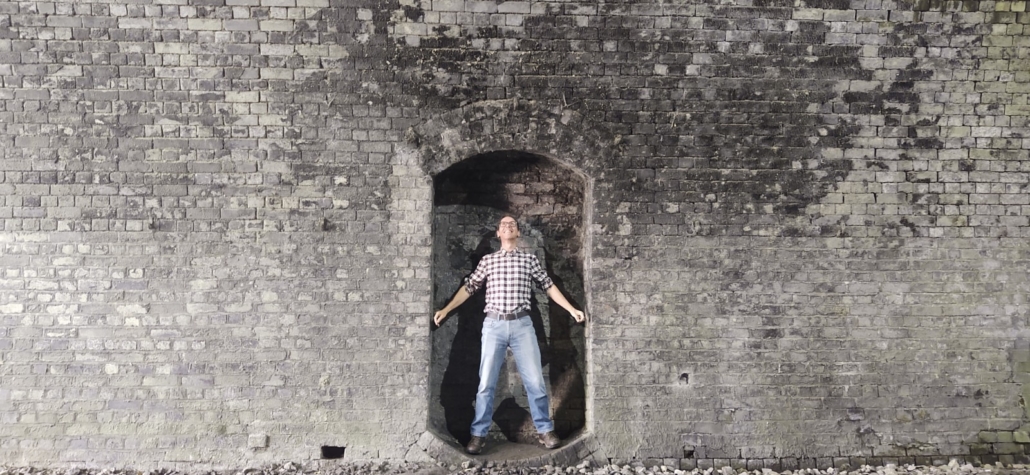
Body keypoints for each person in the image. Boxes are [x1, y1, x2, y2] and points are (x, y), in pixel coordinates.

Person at [433, 215, 587, 455]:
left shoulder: (529, 260)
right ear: (498, 234)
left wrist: (571, 309)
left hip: (522, 325)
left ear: (517, 233)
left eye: (512, 224)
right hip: (493, 325)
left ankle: (545, 430)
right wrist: (445, 310)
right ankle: (478, 435)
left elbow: (549, 287)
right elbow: (469, 287)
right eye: (503, 225)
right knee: (486, 383)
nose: (508, 226)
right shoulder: (488, 261)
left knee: (535, 381)